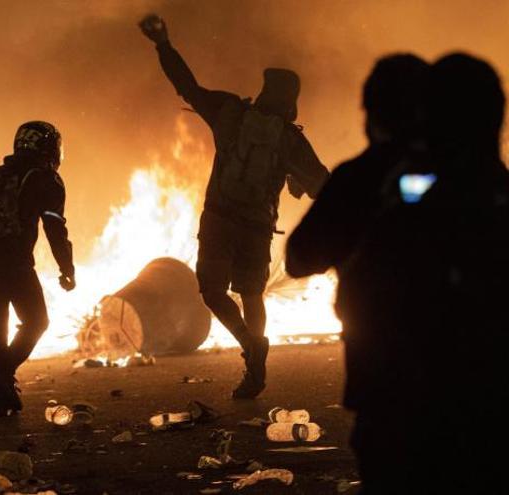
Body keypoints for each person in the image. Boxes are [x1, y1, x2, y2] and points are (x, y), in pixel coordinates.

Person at [289, 53, 509, 492]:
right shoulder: (491, 185)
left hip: (394, 396)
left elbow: (301, 257)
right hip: (485, 398)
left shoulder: (381, 184)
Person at [139, 14, 329, 398]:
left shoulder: (230, 113)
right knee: (252, 294)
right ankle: (255, 369)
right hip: (257, 227)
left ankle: (247, 342)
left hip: (220, 219)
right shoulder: (292, 142)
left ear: (263, 90)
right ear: (292, 101)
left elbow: (186, 86)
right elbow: (324, 186)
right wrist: (296, 180)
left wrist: (163, 43)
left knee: (212, 291)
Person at [0, 120, 75, 418]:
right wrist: (67, 267)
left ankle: (2, 397)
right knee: (37, 320)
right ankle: (4, 374)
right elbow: (54, 226)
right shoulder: (46, 180)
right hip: (16, 263)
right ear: (50, 149)